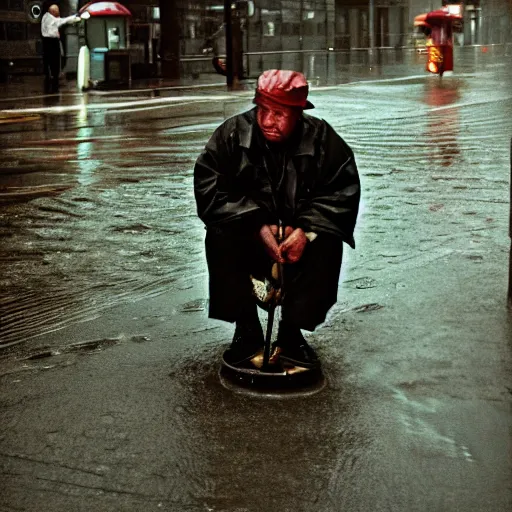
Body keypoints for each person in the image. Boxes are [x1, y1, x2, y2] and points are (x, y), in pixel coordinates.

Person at [194, 69, 360, 368]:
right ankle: (246, 331)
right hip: (249, 240)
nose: (270, 121)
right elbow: (211, 192)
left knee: (328, 237)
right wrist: (256, 225)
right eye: (264, 111)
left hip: (298, 242)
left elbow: (341, 192)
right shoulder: (231, 135)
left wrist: (306, 231)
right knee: (219, 233)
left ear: (298, 112)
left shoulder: (322, 139)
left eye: (280, 113)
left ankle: (291, 333)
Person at [41, 4, 80, 93]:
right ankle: (53, 80)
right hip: (51, 42)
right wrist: (74, 17)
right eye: (57, 11)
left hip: (47, 42)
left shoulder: (46, 17)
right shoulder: (51, 19)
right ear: (53, 12)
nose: (59, 12)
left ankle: (50, 78)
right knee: (54, 60)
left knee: (48, 61)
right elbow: (62, 21)